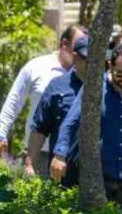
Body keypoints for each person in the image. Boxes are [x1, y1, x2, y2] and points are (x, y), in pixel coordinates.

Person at [50, 43, 122, 214]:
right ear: (110, 66)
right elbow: (71, 120)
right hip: (100, 175)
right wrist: (60, 154)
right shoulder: (95, 87)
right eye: (121, 74)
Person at [0, 24, 86, 167]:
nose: (81, 53)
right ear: (64, 44)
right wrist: (0, 133)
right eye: (77, 47)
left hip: (75, 155)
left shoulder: (89, 74)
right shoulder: (37, 67)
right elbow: (14, 100)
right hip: (38, 153)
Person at [25, 35, 90, 186]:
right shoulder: (57, 86)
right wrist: (29, 164)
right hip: (62, 170)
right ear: (75, 57)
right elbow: (40, 128)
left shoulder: (108, 87)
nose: (91, 64)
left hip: (99, 174)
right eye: (87, 59)